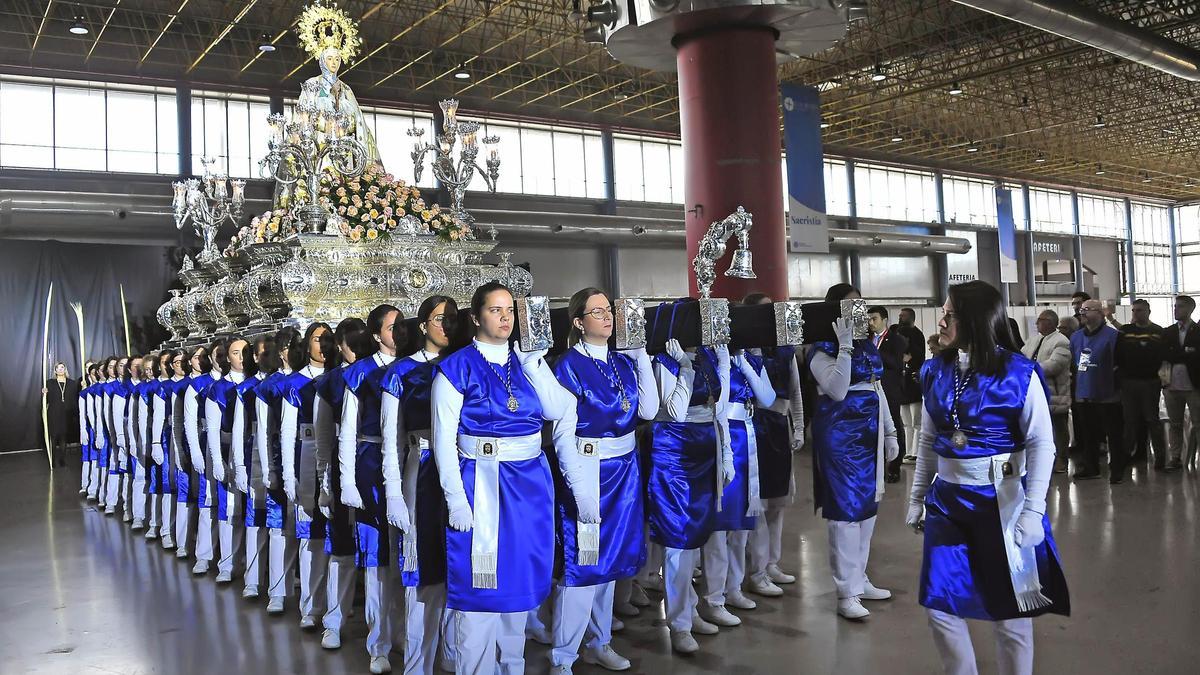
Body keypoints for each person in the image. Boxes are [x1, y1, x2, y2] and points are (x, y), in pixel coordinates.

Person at [906, 280, 1069, 675]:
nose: (941, 322)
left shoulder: (1019, 373)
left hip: (1003, 501)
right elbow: (928, 438)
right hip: (946, 502)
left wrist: (1033, 511)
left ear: (976, 321)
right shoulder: (934, 370)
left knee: (1011, 612)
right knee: (940, 605)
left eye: (950, 314)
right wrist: (916, 497)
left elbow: (1041, 444)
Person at [431, 281, 573, 674]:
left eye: (510, 309)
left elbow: (560, 408)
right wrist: (456, 499)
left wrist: (536, 363)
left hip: (529, 489)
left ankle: (512, 666)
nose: (506, 317)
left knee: (518, 591)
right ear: (476, 317)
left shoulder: (526, 362)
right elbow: (444, 441)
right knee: (480, 592)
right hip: (482, 485)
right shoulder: (455, 368)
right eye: (495, 310)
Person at [544, 287, 659, 673]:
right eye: (597, 312)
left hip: (624, 469)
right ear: (578, 322)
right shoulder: (567, 366)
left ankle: (600, 640)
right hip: (589, 469)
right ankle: (563, 656)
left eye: (609, 310)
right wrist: (578, 486)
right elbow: (562, 434)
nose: (608, 317)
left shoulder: (622, 362)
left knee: (608, 563)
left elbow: (648, 409)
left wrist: (641, 359)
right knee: (584, 563)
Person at [809, 284, 898, 621]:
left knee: (868, 507)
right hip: (840, 434)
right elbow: (836, 389)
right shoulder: (821, 350)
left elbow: (877, 387)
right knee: (845, 512)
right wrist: (844, 347)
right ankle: (846, 591)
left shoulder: (867, 345)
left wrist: (889, 430)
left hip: (869, 431)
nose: (857, 309)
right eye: (850, 304)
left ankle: (859, 577)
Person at [645, 311, 731, 653]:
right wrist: (684, 368)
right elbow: (674, 411)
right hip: (676, 452)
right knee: (679, 539)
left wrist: (724, 451)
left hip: (704, 446)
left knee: (697, 535)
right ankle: (678, 623)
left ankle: (690, 610)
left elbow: (717, 406)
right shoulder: (666, 359)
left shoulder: (706, 355)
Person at [380, 296, 457, 674]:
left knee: (456, 564)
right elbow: (391, 438)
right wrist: (394, 491)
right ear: (424, 325)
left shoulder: (463, 364)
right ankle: (417, 663)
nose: (448, 325)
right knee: (420, 569)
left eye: (454, 319)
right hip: (421, 465)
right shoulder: (400, 372)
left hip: (462, 467)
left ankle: (453, 653)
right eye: (440, 319)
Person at [338, 305, 404, 674]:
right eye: (392, 327)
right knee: (377, 558)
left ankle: (408, 635)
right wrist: (347, 480)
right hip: (371, 461)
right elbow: (347, 429)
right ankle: (378, 642)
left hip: (408, 464)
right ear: (377, 335)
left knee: (408, 556)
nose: (399, 332)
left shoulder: (413, 366)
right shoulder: (361, 373)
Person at [742, 293, 804, 599]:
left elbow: (795, 391)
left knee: (779, 502)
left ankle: (773, 562)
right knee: (760, 503)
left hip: (780, 425)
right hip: (755, 426)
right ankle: (758, 569)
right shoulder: (744, 351)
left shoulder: (785, 350)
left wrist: (799, 426)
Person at [318, 318, 374, 653]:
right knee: (342, 549)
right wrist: (326, 482)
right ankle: (333, 620)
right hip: (341, 472)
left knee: (379, 555)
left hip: (373, 469)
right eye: (348, 341)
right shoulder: (331, 383)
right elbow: (324, 437)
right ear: (339, 345)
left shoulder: (380, 372)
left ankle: (380, 630)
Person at [280, 323, 332, 631]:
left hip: (334, 455)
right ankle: (311, 605)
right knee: (311, 536)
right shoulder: (296, 383)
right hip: (307, 455)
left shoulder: (337, 377)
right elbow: (288, 432)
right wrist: (289, 474)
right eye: (317, 339)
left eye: (328, 339)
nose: (323, 345)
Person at [254, 329, 302, 615]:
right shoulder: (269, 386)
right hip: (278, 459)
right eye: (288, 346)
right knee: (278, 529)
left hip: (306, 459)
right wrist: (269, 469)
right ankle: (277, 590)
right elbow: (263, 430)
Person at [205, 337, 248, 582]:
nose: (240, 358)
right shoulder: (218, 388)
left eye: (244, 352)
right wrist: (218, 461)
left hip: (253, 450)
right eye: (234, 353)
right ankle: (227, 563)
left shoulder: (256, 383)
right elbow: (212, 429)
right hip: (228, 449)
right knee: (229, 508)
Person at [1070, 299, 1126, 483]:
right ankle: (1091, 467)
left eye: (1087, 309)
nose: (1083, 313)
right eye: (1081, 310)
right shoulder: (1076, 337)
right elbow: (1078, 362)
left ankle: (1117, 469)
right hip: (1084, 392)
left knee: (1114, 434)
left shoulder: (1114, 336)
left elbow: (1120, 365)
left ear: (1101, 313)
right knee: (1088, 434)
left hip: (1108, 394)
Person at [1112, 299, 1166, 468]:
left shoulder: (1158, 332)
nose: (1136, 313)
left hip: (1150, 381)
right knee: (1130, 420)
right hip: (1129, 382)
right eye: (1134, 310)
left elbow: (1162, 356)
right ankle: (1126, 455)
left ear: (1148, 311)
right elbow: (1117, 355)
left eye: (1140, 310)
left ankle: (1160, 458)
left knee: (1152, 419)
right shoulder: (1126, 332)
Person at [184, 343, 220, 573]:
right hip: (208, 444)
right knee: (208, 501)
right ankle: (204, 554)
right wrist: (196, 453)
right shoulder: (198, 385)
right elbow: (188, 422)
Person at [1021, 310, 1072, 474]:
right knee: (1038, 429)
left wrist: (1028, 369)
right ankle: (1041, 460)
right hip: (1035, 392)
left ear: (1050, 322)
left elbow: (1054, 365)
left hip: (1055, 393)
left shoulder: (1061, 341)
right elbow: (1021, 357)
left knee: (1059, 429)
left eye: (1040, 321)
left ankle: (1062, 459)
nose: (1037, 324)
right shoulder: (1033, 340)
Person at [868, 305, 909, 483]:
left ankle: (895, 466)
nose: (871, 322)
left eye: (874, 318)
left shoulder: (896, 340)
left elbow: (896, 364)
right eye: (869, 319)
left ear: (884, 320)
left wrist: (876, 352)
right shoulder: (865, 339)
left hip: (890, 389)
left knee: (893, 425)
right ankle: (877, 465)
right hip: (870, 389)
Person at [1161, 294, 1200, 473]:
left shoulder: (1197, 330)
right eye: (1175, 306)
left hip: (1193, 386)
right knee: (1175, 424)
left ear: (1190, 309)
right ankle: (1175, 457)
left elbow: (1196, 356)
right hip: (1171, 386)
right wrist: (1186, 353)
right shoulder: (1168, 332)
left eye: (1181, 306)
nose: (1176, 309)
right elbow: (1165, 355)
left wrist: (1180, 353)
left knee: (1197, 423)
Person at [895, 308, 926, 465]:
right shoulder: (898, 332)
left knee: (916, 421)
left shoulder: (917, 334)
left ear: (911, 317)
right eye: (900, 315)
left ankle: (917, 452)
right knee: (906, 421)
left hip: (913, 383)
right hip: (903, 383)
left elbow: (918, 355)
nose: (900, 317)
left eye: (903, 315)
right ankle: (907, 451)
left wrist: (909, 359)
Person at [44, 361, 80, 467]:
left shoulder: (72, 383)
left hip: (66, 413)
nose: (60, 369)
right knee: (54, 437)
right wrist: (44, 393)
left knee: (64, 437)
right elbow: (46, 400)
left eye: (62, 367)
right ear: (55, 370)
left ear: (65, 369)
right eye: (58, 368)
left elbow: (75, 398)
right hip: (54, 413)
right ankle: (53, 460)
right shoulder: (49, 383)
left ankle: (62, 460)